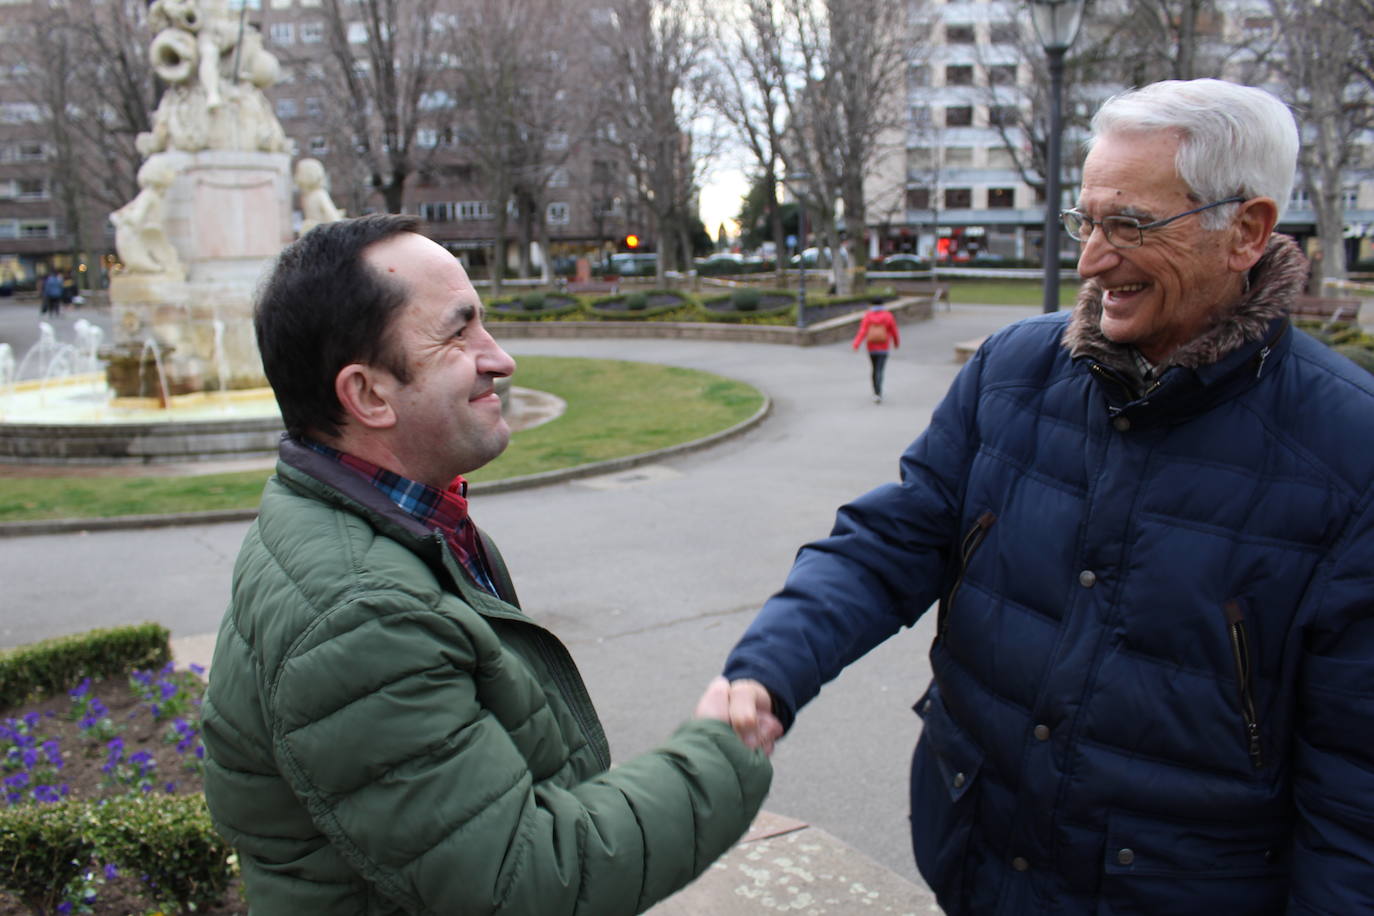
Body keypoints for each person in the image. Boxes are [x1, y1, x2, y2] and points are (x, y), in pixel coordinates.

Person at [720, 78, 1374, 914]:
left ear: (1245, 230)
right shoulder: (1012, 369)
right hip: (977, 859)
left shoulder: (1352, 453)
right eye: (1087, 221)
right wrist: (771, 669)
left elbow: (1356, 794)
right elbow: (893, 543)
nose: (1094, 261)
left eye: (1130, 225)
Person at [200, 214, 771, 913]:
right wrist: (718, 755)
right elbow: (528, 882)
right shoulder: (361, 617)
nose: (500, 358)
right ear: (369, 394)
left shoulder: (388, 524)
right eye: (458, 333)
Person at [852, 300, 900, 402]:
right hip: (884, 347)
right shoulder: (888, 316)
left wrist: (856, 344)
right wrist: (896, 343)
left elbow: (863, 331)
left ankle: (875, 391)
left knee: (874, 369)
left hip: (871, 348)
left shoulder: (868, 316)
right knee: (880, 370)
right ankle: (879, 392)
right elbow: (894, 330)